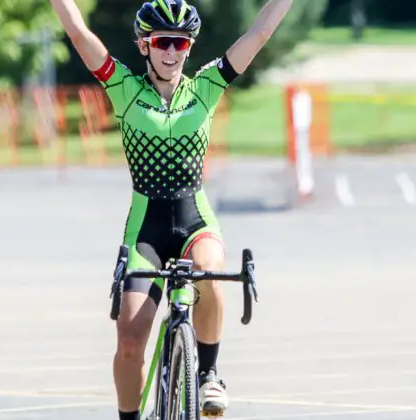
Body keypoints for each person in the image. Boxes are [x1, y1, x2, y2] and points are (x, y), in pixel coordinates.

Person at [48, 0, 294, 418]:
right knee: (129, 342)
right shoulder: (124, 89)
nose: (172, 51)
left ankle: (209, 374)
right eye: (163, 42)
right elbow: (78, 33)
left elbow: (258, 35)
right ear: (145, 45)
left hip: (196, 219)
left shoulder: (206, 87)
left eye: (181, 44)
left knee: (211, 276)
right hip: (146, 230)